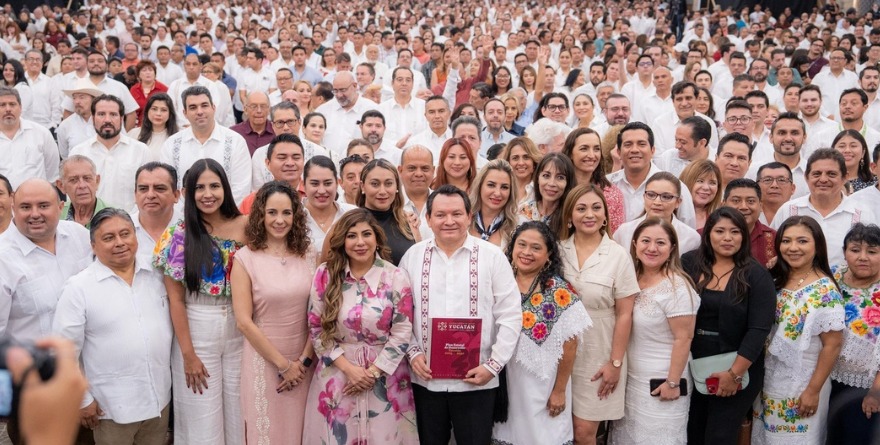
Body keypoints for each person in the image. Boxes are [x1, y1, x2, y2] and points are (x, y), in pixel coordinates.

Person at [399, 185, 521, 445]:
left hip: (476, 379)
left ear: (469, 216)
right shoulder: (412, 257)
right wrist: (413, 352)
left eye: (456, 214)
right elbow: (401, 314)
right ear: (428, 219)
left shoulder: (492, 257)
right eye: (440, 215)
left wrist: (493, 365)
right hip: (425, 379)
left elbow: (510, 314)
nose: (449, 221)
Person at [53, 208, 172, 445]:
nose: (119, 243)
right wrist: (83, 400)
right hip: (110, 409)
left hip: (159, 401)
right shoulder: (79, 288)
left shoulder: (157, 274)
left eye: (125, 234)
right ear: (93, 246)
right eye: (108, 238)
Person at [152, 159, 248, 444]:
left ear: (225, 188)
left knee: (240, 413)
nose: (208, 194)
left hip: (241, 328)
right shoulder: (179, 234)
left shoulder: (247, 227)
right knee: (201, 418)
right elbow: (176, 300)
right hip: (197, 327)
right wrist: (188, 355)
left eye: (214, 186)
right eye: (199, 187)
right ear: (187, 193)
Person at [303, 208, 418, 444]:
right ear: (342, 241)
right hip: (338, 373)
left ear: (376, 238)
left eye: (366, 234)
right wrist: (349, 370)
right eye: (351, 236)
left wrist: (373, 373)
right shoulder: (325, 275)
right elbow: (316, 328)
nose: (360, 242)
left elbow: (402, 332)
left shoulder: (396, 276)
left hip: (386, 375)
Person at [491, 221, 591, 444]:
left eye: (536, 248)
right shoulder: (499, 283)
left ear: (548, 256)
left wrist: (559, 390)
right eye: (522, 245)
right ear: (512, 248)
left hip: (543, 387)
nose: (527, 252)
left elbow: (570, 345)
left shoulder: (559, 291)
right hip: (505, 382)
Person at [683, 207, 776, 445]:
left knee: (719, 436)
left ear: (744, 236)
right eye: (720, 231)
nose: (727, 238)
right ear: (708, 234)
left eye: (735, 232)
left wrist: (734, 374)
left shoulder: (756, 274)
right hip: (691, 361)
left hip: (737, 365)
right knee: (691, 431)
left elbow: (758, 330)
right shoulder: (689, 263)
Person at [231, 181, 315, 444]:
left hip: (305, 363)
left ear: (296, 215)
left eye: (287, 213)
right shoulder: (245, 258)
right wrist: (284, 365)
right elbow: (244, 322)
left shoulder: (310, 255)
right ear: (260, 215)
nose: (280, 220)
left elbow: (319, 314)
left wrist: (302, 362)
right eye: (272, 213)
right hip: (264, 362)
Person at [557, 183, 639, 445]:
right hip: (557, 352)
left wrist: (615, 363)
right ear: (569, 216)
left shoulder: (618, 255)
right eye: (581, 208)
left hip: (598, 351)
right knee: (556, 428)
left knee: (583, 432)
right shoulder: (556, 251)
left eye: (596, 208)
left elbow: (625, 314)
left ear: (605, 215)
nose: (589, 214)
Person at [753, 216, 845, 444]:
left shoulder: (824, 290)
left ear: (817, 245)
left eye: (802, 241)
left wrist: (813, 391)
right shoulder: (776, 278)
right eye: (786, 241)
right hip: (770, 378)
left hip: (804, 382)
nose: (793, 248)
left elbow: (832, 345)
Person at [611, 218, 700, 445]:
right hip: (631, 380)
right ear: (634, 244)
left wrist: (672, 383)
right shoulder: (630, 279)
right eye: (646, 241)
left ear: (672, 248)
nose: (652, 248)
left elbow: (684, 338)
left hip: (662, 381)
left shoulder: (677, 287)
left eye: (660, 243)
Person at [771, 148, 877, 267]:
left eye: (831, 174)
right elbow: (773, 250)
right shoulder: (788, 210)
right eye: (816, 174)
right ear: (806, 176)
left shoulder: (862, 214)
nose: (823, 179)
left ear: (845, 177)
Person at [828, 223, 880, 444]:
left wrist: (875, 392)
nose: (863, 257)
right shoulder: (832, 276)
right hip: (826, 379)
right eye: (855, 249)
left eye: (872, 251)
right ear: (844, 252)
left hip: (867, 387)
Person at [160, 86, 251, 205]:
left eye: (204, 105)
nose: (199, 112)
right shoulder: (171, 145)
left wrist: (219, 214)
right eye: (193, 107)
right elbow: (168, 188)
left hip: (226, 214)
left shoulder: (235, 141)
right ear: (185, 113)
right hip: (183, 214)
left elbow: (241, 188)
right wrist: (188, 213)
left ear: (213, 108)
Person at [69, 94, 149, 211]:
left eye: (113, 114)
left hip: (130, 219)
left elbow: (147, 192)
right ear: (93, 118)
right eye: (101, 114)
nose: (107, 120)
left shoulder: (140, 151)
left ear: (121, 119)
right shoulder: (79, 152)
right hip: (91, 221)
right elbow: (72, 194)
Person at [614, 172, 702, 256]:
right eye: (651, 195)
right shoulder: (624, 232)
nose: (657, 202)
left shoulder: (691, 238)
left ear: (678, 202)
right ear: (644, 197)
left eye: (666, 197)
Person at [562, 127, 625, 234]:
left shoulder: (612, 194)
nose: (592, 155)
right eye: (584, 149)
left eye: (596, 149)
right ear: (570, 153)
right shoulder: (558, 188)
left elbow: (615, 235)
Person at [357, 159, 418, 265]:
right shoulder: (350, 222)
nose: (382, 191)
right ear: (363, 186)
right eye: (375, 184)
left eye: (388, 184)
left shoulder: (409, 222)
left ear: (397, 186)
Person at [0, 86, 59, 190]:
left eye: (12, 104)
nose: (8, 109)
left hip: (37, 197)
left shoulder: (41, 133)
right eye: (2, 105)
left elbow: (52, 173)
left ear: (20, 107)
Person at [723, 179, 778, 267]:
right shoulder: (707, 235)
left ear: (761, 206)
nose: (743, 207)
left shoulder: (775, 239)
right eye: (736, 201)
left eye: (750, 201)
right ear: (723, 205)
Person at [518, 152, 575, 235]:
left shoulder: (570, 216)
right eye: (546, 176)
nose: (551, 183)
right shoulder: (524, 211)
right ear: (538, 178)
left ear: (568, 183)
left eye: (560, 177)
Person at [468, 160, 518, 249]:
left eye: (504, 187)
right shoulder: (463, 221)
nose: (497, 193)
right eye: (491, 185)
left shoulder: (517, 227)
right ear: (479, 186)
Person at [56, 155, 109, 227]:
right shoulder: (56, 215)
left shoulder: (115, 217)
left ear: (97, 181)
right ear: (61, 186)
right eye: (73, 180)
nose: (82, 185)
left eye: (87, 178)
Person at [128, 93, 179, 162]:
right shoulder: (133, 134)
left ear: (170, 114)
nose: (158, 113)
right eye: (154, 109)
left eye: (163, 110)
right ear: (147, 111)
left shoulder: (177, 137)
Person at [679, 160, 722, 232]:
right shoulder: (671, 214)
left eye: (712, 183)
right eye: (700, 181)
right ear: (686, 182)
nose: (706, 187)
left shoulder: (720, 220)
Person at [501, 136, 542, 205]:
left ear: (534, 162)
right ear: (508, 162)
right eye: (515, 158)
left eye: (526, 157)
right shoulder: (500, 189)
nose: (521, 163)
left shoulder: (541, 190)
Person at [130, 60, 168, 126]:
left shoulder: (163, 89)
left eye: (150, 70)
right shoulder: (134, 89)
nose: (148, 72)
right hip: (139, 125)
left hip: (158, 125)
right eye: (144, 70)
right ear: (139, 75)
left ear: (155, 73)